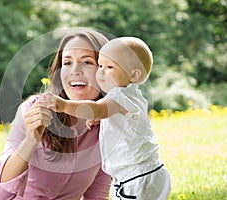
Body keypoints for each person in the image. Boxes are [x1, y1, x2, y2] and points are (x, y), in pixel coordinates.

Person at [0, 28, 111, 200]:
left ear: (105, 70)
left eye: (87, 62)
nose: (74, 71)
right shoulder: (33, 109)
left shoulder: (108, 127)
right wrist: (30, 141)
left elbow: (97, 196)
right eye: (67, 63)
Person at [44, 37, 171, 199]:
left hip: (135, 176)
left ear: (133, 75)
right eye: (101, 65)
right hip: (144, 172)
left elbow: (96, 109)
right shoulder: (133, 96)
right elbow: (117, 117)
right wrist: (102, 118)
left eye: (110, 67)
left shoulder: (120, 95)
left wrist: (63, 105)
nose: (101, 72)